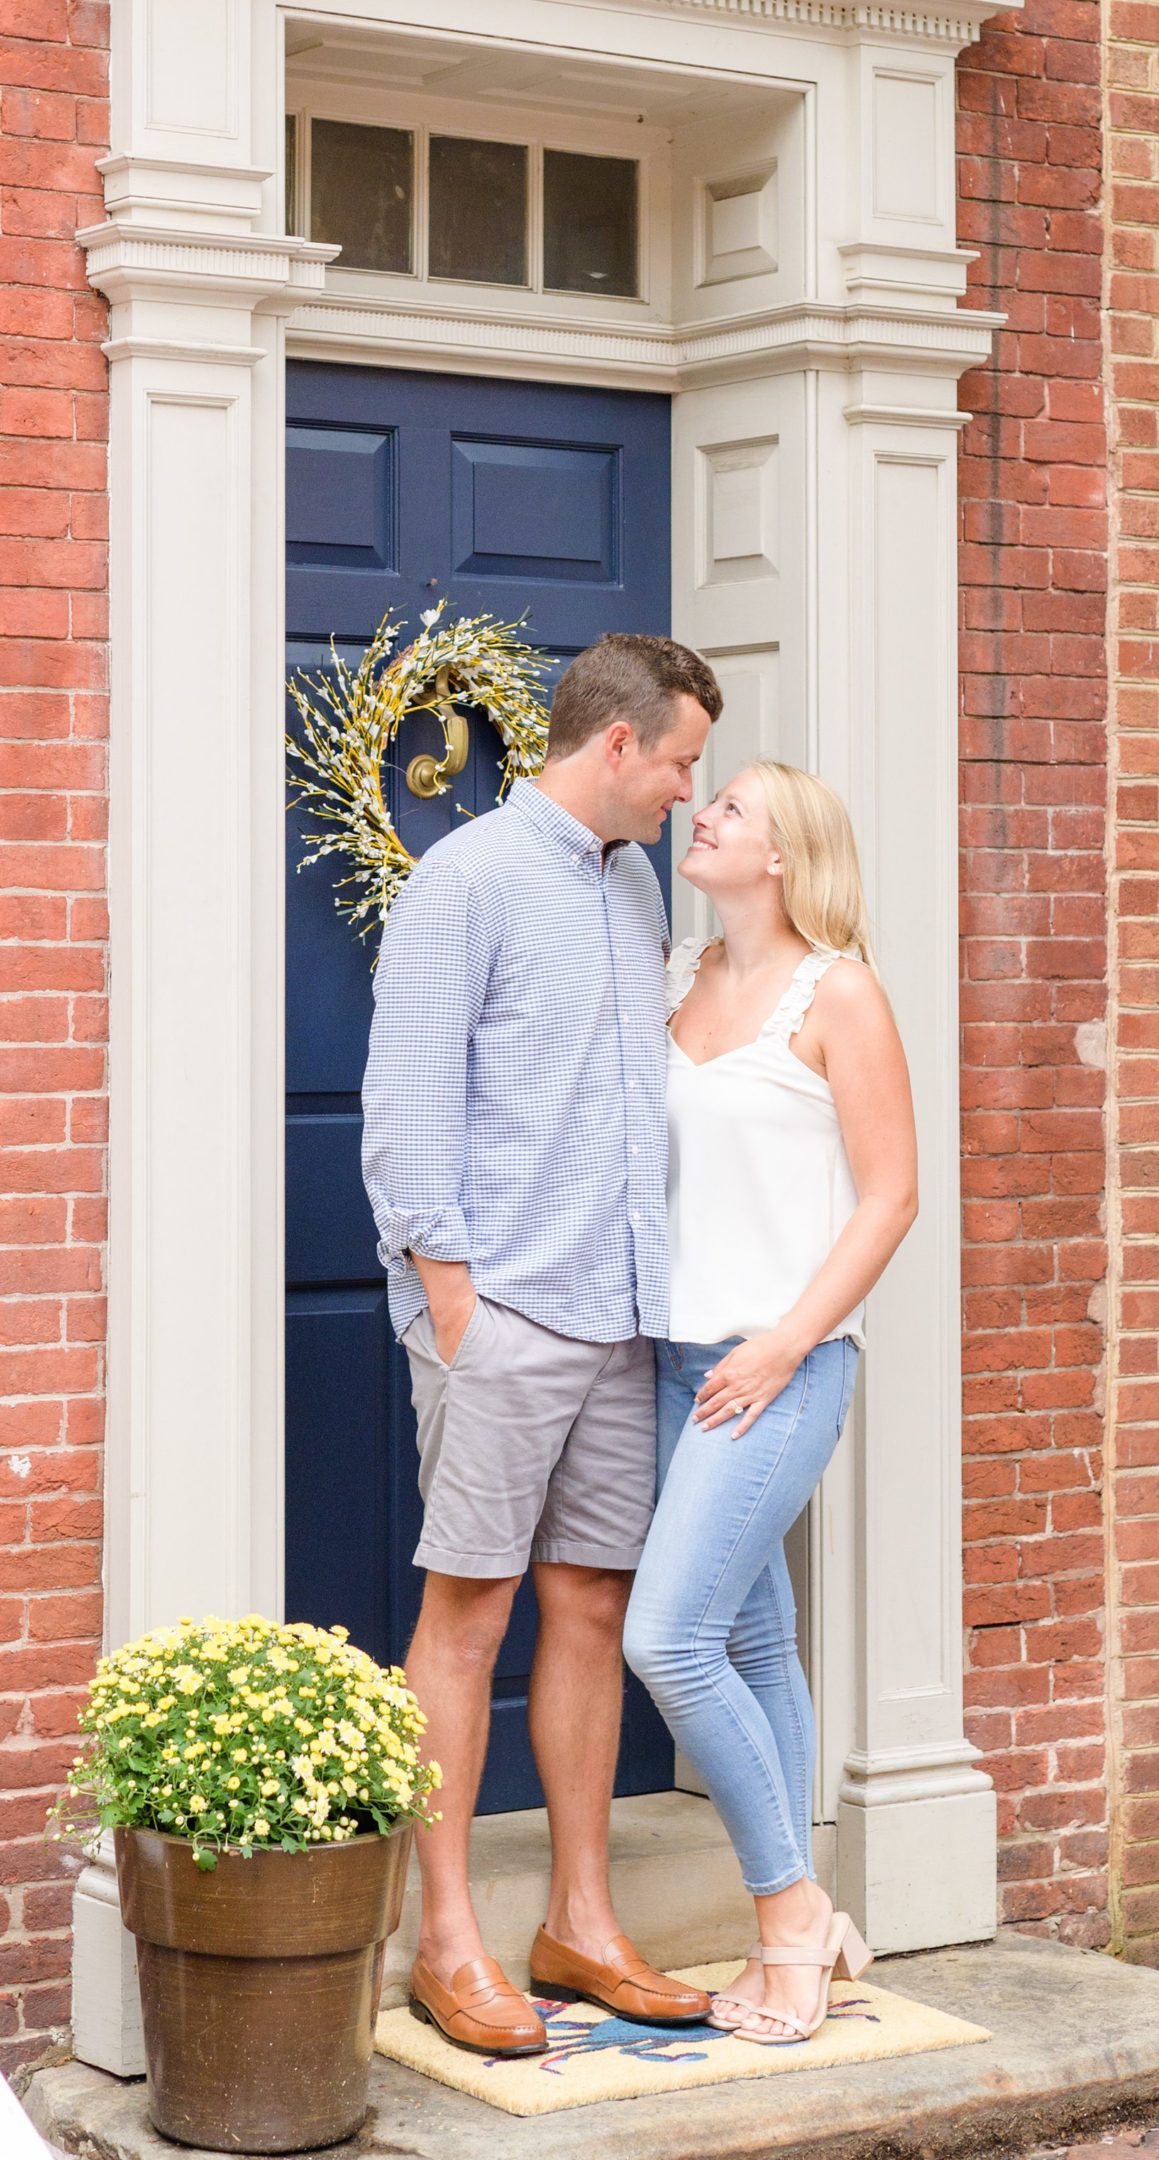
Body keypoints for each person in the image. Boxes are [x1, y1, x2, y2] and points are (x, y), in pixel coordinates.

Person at [361, 632, 723, 2058]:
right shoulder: (467, 881)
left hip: (619, 1311)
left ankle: (579, 1921)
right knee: (469, 1615)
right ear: (619, 744)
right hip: (503, 1311)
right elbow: (403, 1108)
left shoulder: (630, 886)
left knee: (588, 1608)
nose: (689, 793)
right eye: (681, 760)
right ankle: (442, 1939)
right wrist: (457, 1306)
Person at [622, 761, 918, 2045]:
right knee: (750, 1646)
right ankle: (796, 1928)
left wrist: (787, 1341)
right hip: (669, 1359)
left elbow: (889, 1194)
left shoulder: (836, 991)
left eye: (731, 806)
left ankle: (792, 1916)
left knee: (666, 1639)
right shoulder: (678, 973)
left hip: (777, 1366)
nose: (705, 814)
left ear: (787, 853)